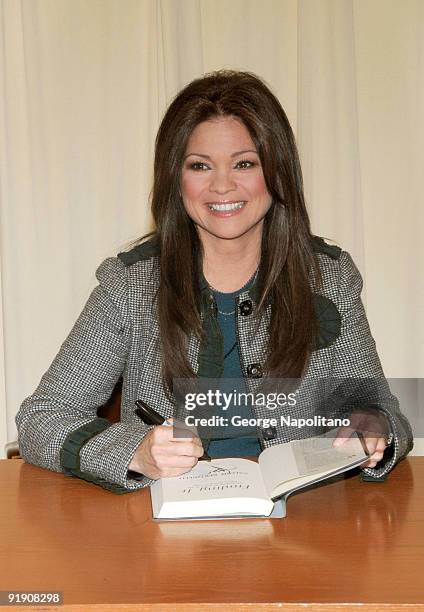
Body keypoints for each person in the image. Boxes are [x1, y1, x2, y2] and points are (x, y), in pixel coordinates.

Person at [16, 70, 412, 493]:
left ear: (277, 173)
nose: (222, 185)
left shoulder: (330, 278)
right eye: (200, 166)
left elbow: (380, 408)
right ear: (176, 179)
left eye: (245, 163)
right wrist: (135, 450)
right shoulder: (129, 285)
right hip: (165, 533)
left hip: (302, 521)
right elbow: (41, 419)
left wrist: (373, 426)